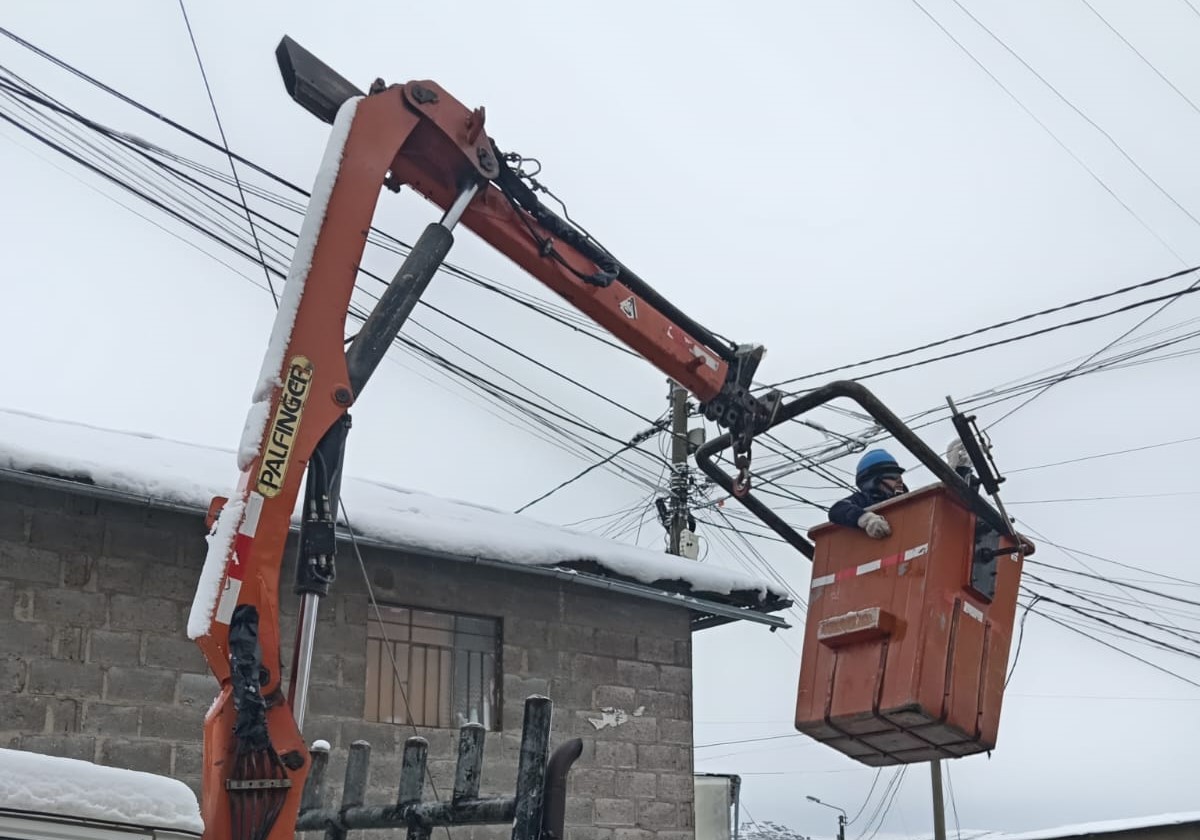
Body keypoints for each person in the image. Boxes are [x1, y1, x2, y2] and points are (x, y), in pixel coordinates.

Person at [829, 441, 972, 539]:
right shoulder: (865, 500)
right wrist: (866, 519)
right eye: (892, 477)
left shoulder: (909, 504)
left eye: (899, 476)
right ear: (873, 482)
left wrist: (961, 471)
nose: (899, 481)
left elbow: (949, 508)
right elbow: (838, 510)